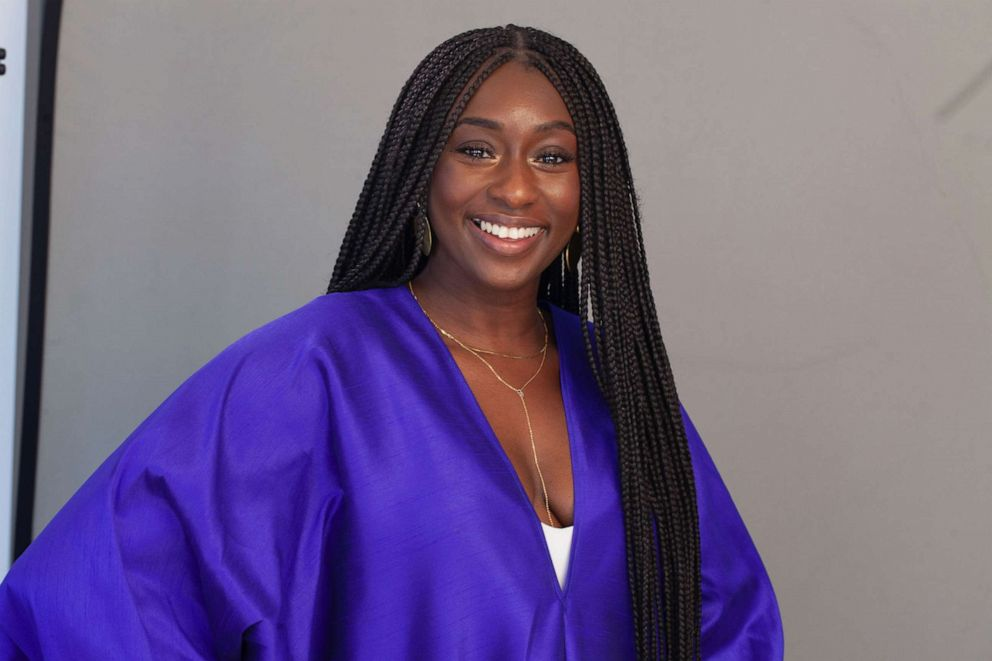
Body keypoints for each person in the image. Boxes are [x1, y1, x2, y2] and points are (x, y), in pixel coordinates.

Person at [0, 24, 783, 660]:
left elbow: (727, 620)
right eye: (476, 149)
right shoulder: (317, 369)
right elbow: (98, 600)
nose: (515, 187)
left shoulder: (620, 381)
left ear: (591, 187)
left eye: (552, 156)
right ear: (421, 168)